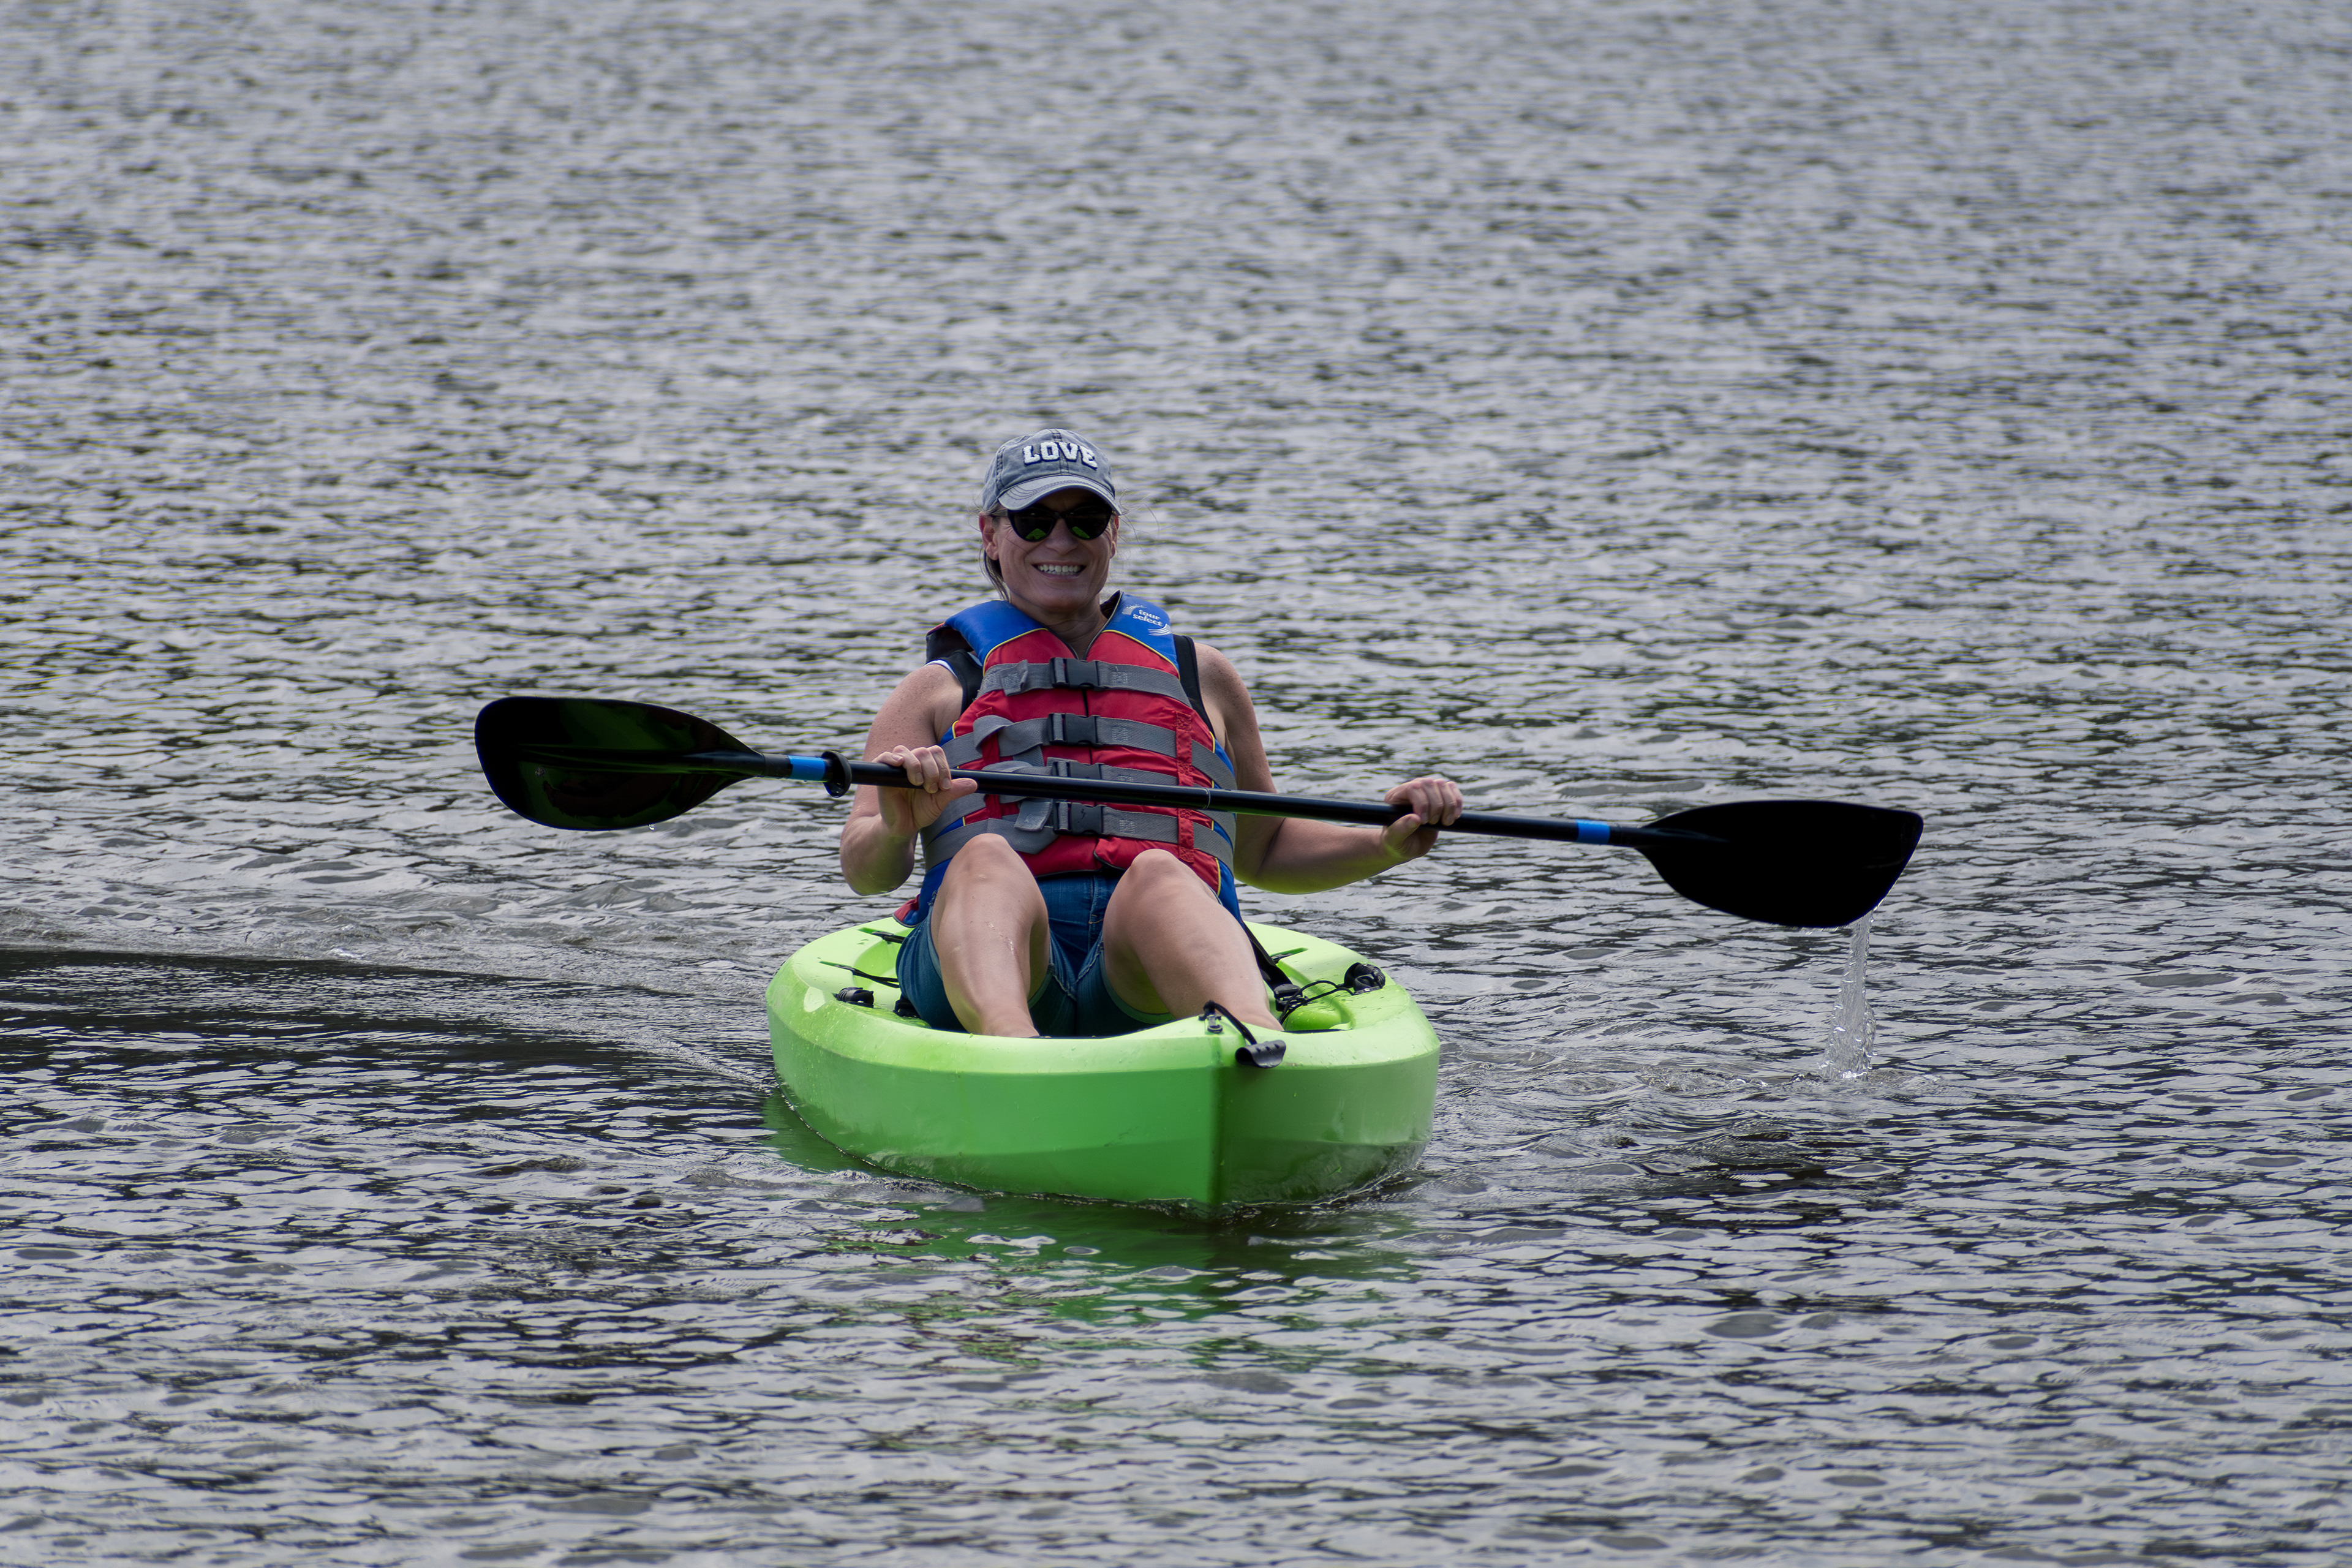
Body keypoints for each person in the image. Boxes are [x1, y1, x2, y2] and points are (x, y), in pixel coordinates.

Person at [839, 427, 1462, 1047]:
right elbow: (866, 871)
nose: (1061, 540)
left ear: (1113, 532)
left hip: (1142, 974)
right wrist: (896, 827)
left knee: (1162, 873)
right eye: (1033, 520)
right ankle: (1013, 1055)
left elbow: (1264, 849)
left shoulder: (1203, 676)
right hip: (993, 963)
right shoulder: (935, 691)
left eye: (1085, 519)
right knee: (984, 859)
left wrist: (1386, 842)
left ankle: (1263, 1048)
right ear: (991, 534)